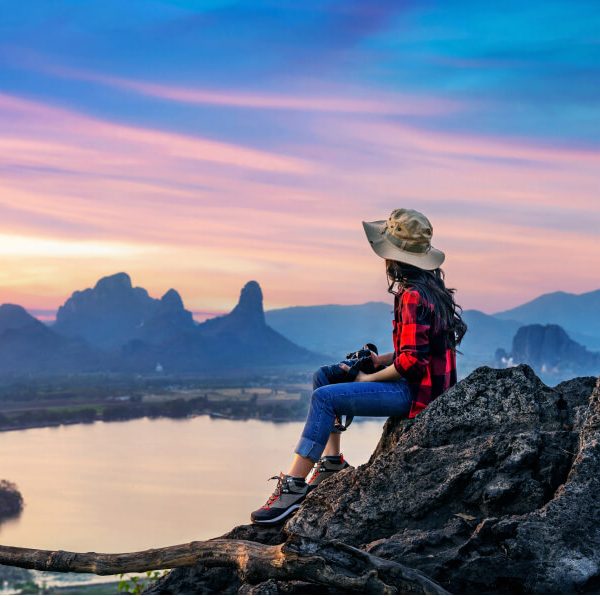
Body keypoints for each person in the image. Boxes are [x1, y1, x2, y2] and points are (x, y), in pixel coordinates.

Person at [250, 208, 467, 525]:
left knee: (324, 398)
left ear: (393, 257)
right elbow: (418, 350)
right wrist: (381, 360)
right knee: (324, 377)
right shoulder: (430, 290)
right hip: (424, 386)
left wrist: (369, 378)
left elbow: (412, 363)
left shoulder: (412, 295)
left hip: (418, 395)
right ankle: (331, 463)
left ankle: (293, 487)